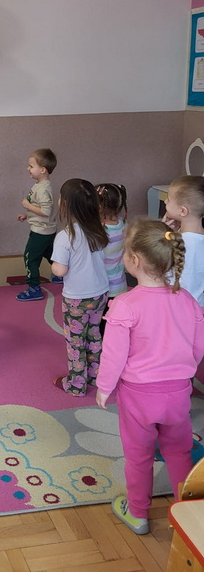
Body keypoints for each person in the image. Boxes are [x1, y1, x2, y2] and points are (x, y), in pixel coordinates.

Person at [96, 218, 204, 535]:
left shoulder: (124, 305)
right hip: (178, 393)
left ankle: (138, 513)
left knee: (139, 457)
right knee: (179, 451)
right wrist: (183, 370)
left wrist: (104, 387)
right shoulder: (188, 300)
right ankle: (189, 515)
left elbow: (113, 356)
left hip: (138, 397)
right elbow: (198, 348)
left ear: (134, 260)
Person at [51, 179, 109, 397]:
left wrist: (54, 265)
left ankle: (76, 384)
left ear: (65, 204)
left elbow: (60, 271)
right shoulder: (98, 230)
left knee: (75, 342)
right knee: (94, 335)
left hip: (77, 299)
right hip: (100, 293)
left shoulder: (65, 236)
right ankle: (95, 375)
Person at [16, 148, 59, 302]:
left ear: (42, 170)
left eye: (31, 166)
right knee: (51, 254)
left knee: (30, 258)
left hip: (40, 232)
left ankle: (34, 288)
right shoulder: (40, 185)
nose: (28, 168)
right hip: (47, 230)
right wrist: (27, 214)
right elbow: (40, 209)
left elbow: (46, 211)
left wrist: (27, 206)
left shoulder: (43, 189)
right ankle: (62, 274)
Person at [162, 175, 204, 306]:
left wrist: (162, 232)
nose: (165, 201)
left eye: (169, 199)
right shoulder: (196, 239)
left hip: (174, 306)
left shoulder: (175, 242)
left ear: (182, 211)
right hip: (198, 306)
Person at [96, 183, 128, 335]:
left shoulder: (101, 231)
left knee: (101, 324)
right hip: (120, 286)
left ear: (99, 207)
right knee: (114, 322)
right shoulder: (123, 225)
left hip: (103, 287)